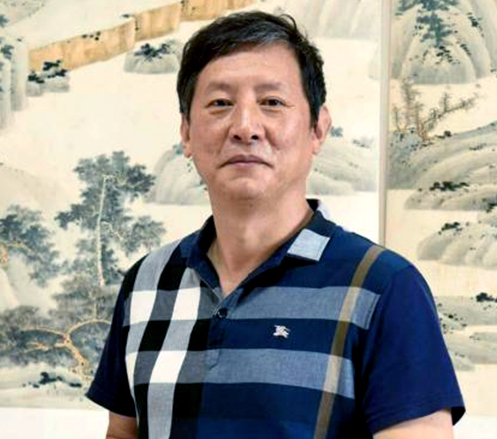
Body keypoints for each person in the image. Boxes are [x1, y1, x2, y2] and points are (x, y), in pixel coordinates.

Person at [87, 11, 465, 439]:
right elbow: (123, 433)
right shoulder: (146, 281)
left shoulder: (384, 286)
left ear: (318, 128)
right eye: (220, 103)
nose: (245, 127)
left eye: (272, 102)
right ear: (187, 133)